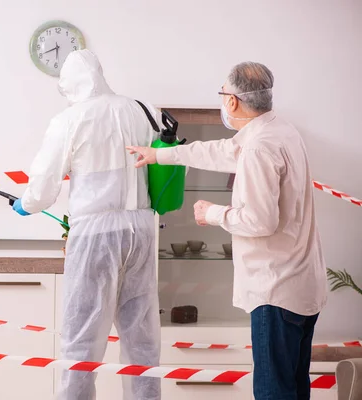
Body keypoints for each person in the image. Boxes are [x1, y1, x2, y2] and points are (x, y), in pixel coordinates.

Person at [127, 61, 327, 400]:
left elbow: (259, 221)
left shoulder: (260, 147)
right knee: (293, 389)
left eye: (223, 95)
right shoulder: (279, 130)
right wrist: (161, 156)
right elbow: (222, 150)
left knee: (273, 392)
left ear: (232, 100)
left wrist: (212, 213)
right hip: (300, 286)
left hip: (275, 292)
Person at [13, 49, 161, 400]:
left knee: (80, 340)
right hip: (141, 230)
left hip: (95, 235)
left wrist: (26, 204)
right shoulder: (142, 109)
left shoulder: (69, 119)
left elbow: (43, 188)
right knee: (142, 340)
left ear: (69, 86)